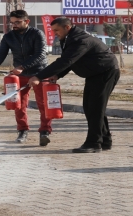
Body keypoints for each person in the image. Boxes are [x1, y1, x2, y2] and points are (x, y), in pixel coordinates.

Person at [29, 17, 119, 153]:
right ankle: (105, 140)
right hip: (94, 74)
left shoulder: (80, 40)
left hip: (105, 72)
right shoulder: (70, 39)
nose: (55, 33)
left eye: (57, 30)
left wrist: (39, 76)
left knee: (95, 108)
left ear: (67, 27)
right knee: (90, 107)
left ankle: (94, 143)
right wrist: (57, 75)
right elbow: (71, 61)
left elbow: (66, 61)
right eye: (53, 31)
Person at [0, 10, 52, 146]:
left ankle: (45, 131)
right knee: (19, 105)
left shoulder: (37, 34)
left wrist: (22, 67)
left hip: (40, 73)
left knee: (43, 104)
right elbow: (0, 54)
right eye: (12, 22)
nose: (14, 25)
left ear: (27, 21)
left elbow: (40, 54)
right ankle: (22, 130)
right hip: (20, 76)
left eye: (17, 22)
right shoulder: (8, 37)